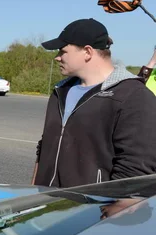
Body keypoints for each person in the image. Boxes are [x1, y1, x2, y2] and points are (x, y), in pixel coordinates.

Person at [32, 18, 156, 188]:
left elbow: (135, 170)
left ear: (88, 52)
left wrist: (104, 209)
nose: (57, 58)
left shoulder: (133, 96)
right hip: (45, 204)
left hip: (90, 209)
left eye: (62, 51)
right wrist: (33, 190)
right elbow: (44, 146)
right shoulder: (60, 91)